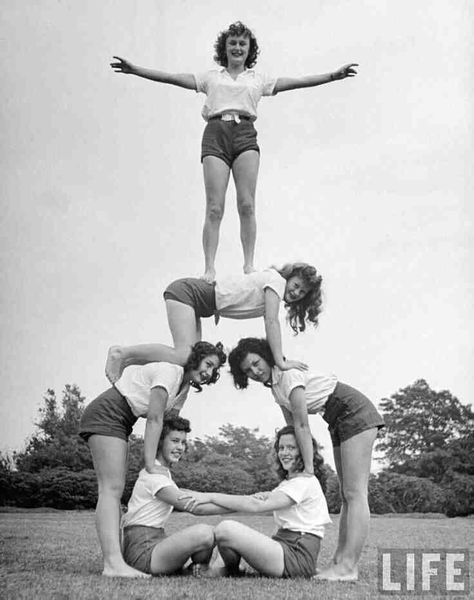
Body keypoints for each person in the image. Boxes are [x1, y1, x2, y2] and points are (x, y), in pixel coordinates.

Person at [110, 21, 358, 282]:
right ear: (225, 48)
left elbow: (296, 82)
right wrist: (135, 70)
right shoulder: (211, 77)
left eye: (242, 43)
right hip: (216, 133)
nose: (237, 47)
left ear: (249, 49)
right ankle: (209, 268)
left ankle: (249, 265)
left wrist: (333, 75)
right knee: (215, 207)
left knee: (247, 204)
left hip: (245, 134)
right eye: (233, 43)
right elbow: (172, 77)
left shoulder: (258, 79)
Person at [228, 337, 385, 582]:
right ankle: (338, 563)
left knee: (355, 493)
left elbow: (302, 423)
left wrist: (309, 469)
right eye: (248, 370)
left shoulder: (287, 376)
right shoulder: (275, 387)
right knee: (346, 494)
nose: (255, 371)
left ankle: (348, 567)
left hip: (354, 411)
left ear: (266, 356)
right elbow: (291, 428)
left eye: (257, 363)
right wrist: (294, 468)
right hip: (336, 418)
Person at [79, 340, 226, 578]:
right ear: (195, 358)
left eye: (213, 370)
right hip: (108, 414)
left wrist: (167, 462)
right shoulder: (171, 371)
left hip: (122, 421)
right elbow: (155, 419)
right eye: (207, 364)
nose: (209, 373)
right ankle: (113, 564)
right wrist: (150, 465)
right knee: (111, 489)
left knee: (114, 488)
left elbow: (169, 425)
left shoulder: (183, 387)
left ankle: (117, 562)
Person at [105, 262, 322, 383]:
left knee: (188, 360)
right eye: (296, 285)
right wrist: (281, 362)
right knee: (183, 355)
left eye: (301, 292)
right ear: (289, 277)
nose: (295, 292)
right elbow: (271, 322)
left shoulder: (273, 282)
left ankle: (128, 361)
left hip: (201, 304)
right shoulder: (277, 281)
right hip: (190, 294)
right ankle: (121, 353)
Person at [184, 425, 331, 579]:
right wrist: (192, 501)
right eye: (281, 448)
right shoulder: (288, 483)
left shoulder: (303, 481)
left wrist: (209, 496)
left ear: (303, 451)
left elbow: (255, 505)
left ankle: (223, 569)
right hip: (282, 548)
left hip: (295, 556)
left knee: (226, 529)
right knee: (226, 536)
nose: (284, 453)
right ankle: (230, 569)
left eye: (291, 448)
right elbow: (252, 501)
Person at [122, 416, 232, 576]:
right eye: (175, 441)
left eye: (183, 442)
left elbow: (188, 495)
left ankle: (197, 569)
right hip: (142, 552)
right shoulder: (153, 476)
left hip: (158, 541)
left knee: (210, 534)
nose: (180, 447)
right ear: (159, 442)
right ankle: (201, 570)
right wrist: (241, 505)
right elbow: (195, 507)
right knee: (205, 533)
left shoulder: (163, 472)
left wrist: (239, 503)